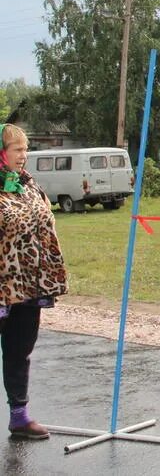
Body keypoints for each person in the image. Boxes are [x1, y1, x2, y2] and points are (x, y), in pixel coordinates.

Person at [0, 124, 68, 439]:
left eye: (26, 150)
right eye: (17, 150)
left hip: (27, 288)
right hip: (1, 286)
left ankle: (19, 416)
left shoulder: (27, 185)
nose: (23, 156)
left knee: (19, 351)